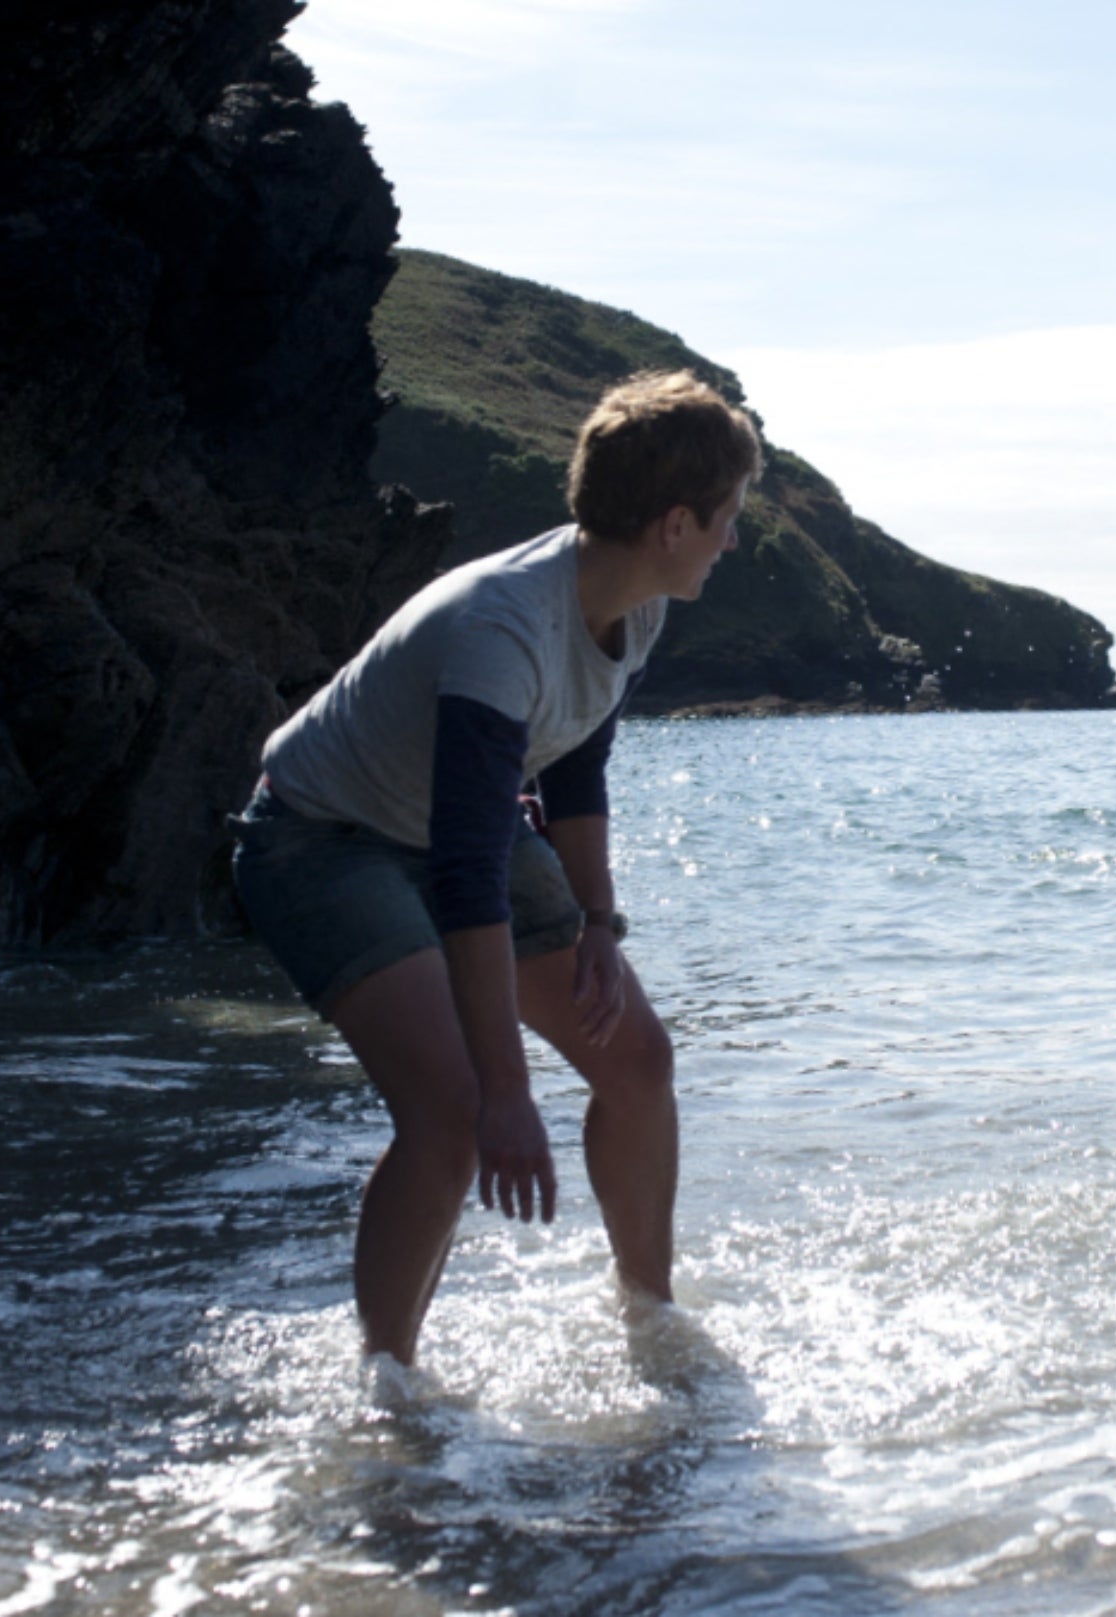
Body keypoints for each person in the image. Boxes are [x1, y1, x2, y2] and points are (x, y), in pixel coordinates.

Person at [230, 370, 760, 1371]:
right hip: (319, 838)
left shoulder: (637, 602)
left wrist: (598, 923)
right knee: (453, 1117)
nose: (734, 540)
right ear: (677, 522)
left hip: (453, 828)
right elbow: (470, 877)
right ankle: (388, 1385)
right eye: (729, 517)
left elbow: (577, 758)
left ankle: (652, 1322)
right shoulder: (501, 629)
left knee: (638, 1060)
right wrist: (508, 1090)